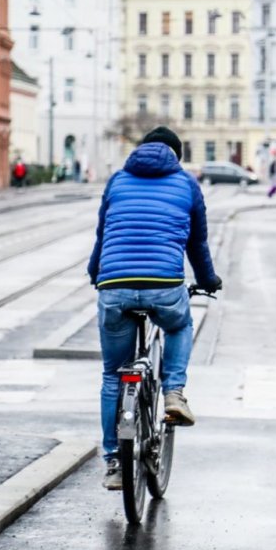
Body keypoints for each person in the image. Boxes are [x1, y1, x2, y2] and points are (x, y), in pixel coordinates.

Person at [87, 126, 221, 491]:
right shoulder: (187, 184)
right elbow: (198, 243)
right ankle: (174, 392)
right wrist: (208, 280)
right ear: (176, 155)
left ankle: (114, 461)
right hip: (163, 286)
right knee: (179, 325)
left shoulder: (117, 180)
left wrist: (94, 274)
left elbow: (103, 235)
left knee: (113, 375)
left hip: (114, 287)